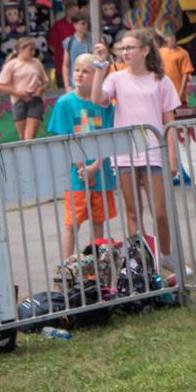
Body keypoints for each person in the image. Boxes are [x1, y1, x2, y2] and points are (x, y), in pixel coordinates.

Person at [89, 29, 186, 276]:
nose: (125, 52)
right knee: (133, 210)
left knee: (160, 212)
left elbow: (169, 122)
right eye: (122, 48)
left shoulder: (160, 80)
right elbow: (98, 99)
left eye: (130, 47)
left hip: (153, 150)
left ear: (145, 50)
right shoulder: (116, 78)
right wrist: (100, 67)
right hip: (125, 153)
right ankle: (140, 260)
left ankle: (166, 256)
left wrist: (172, 156)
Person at [47, 53, 117, 259]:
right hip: (75, 176)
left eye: (86, 71)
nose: (79, 74)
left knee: (98, 221)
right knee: (72, 223)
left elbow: (109, 136)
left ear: (97, 75)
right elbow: (65, 139)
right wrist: (82, 168)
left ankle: (96, 265)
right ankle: (67, 267)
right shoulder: (64, 103)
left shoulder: (104, 104)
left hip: (101, 173)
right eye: (77, 69)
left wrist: (94, 167)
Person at [0, 37, 48, 141]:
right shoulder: (11, 65)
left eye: (34, 50)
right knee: (23, 136)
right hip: (19, 101)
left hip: (35, 99)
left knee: (30, 135)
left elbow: (45, 81)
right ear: (21, 49)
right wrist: (17, 93)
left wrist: (42, 88)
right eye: (30, 50)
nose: (33, 53)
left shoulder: (36, 62)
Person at [46, 0, 79, 88]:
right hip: (62, 64)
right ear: (67, 11)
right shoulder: (58, 25)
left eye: (77, 12)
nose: (75, 13)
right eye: (73, 11)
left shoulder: (80, 25)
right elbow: (51, 45)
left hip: (78, 66)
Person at [157, 30, 194, 106]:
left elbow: (186, 74)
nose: (173, 39)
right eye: (170, 37)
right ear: (165, 39)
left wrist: (181, 93)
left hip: (178, 92)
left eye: (173, 36)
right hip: (164, 92)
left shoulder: (183, 53)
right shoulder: (159, 52)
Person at [60, 11, 93, 91]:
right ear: (75, 25)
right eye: (83, 23)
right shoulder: (69, 42)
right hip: (75, 85)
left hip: (91, 83)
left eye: (87, 23)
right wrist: (67, 85)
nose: (86, 26)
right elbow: (66, 65)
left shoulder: (94, 39)